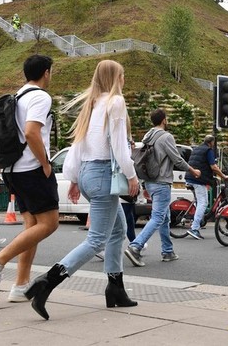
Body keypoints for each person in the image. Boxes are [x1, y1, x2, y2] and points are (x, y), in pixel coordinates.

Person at [22, 59, 140, 320]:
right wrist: (132, 176)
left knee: (118, 230)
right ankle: (47, 282)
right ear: (114, 78)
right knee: (96, 239)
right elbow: (120, 147)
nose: (124, 80)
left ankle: (115, 288)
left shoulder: (93, 103)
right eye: (122, 75)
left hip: (88, 174)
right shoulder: (115, 102)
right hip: (102, 176)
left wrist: (75, 179)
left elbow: (77, 146)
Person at [0, 55, 59, 304]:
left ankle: (20, 284)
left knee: (31, 226)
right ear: (46, 73)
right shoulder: (40, 96)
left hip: (11, 169)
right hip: (31, 168)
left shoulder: (17, 96)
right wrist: (45, 163)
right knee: (50, 223)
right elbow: (33, 132)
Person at [124, 109, 201, 266]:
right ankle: (135, 247)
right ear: (164, 120)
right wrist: (193, 170)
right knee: (158, 217)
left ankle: (167, 251)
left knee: (164, 217)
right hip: (161, 182)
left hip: (149, 181)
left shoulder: (148, 135)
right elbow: (177, 159)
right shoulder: (166, 137)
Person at [185, 134, 228, 240]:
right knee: (203, 203)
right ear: (212, 143)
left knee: (199, 202)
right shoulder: (208, 150)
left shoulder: (197, 149)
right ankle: (194, 228)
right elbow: (213, 166)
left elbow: (201, 164)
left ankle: (198, 220)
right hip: (198, 179)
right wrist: (223, 176)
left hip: (190, 177)